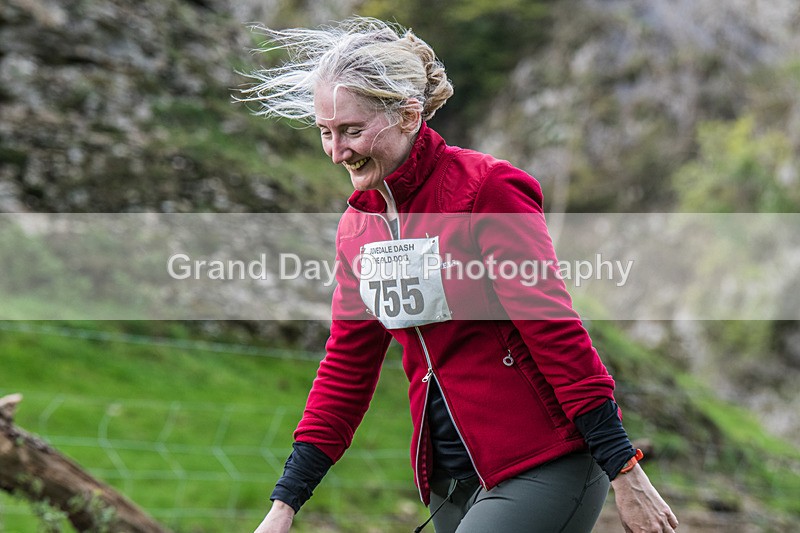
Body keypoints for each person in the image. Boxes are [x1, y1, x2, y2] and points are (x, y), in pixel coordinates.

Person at [238, 17, 679, 533]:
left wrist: (624, 468)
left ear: (407, 116)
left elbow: (553, 328)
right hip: (449, 481)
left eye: (353, 131)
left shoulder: (488, 191)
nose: (338, 152)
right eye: (325, 133)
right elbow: (346, 368)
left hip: (542, 461)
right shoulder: (357, 229)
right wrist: (285, 504)